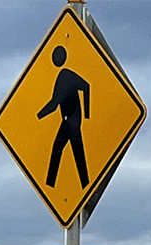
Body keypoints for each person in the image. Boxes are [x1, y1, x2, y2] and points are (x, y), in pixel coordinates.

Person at [38, 45, 91, 188]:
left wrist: (87, 114)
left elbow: (86, 86)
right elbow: (55, 104)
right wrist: (39, 116)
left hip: (71, 121)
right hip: (70, 121)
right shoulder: (62, 76)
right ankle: (85, 184)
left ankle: (51, 183)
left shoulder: (66, 76)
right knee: (76, 153)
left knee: (58, 150)